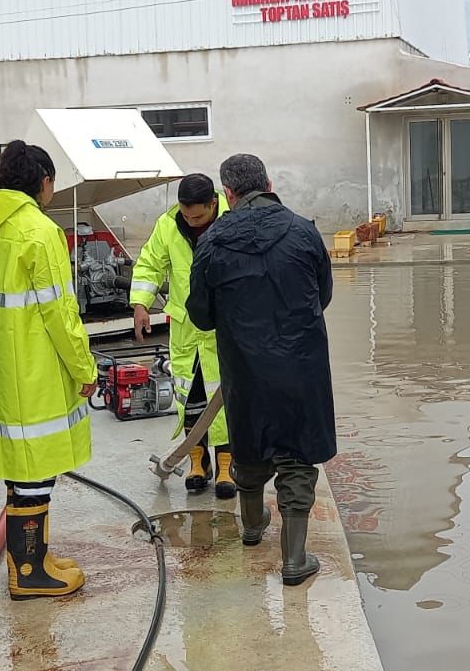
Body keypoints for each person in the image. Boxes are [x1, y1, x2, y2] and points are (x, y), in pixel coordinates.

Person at [186, 153, 336, 586]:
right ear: (269, 183)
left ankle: (252, 527)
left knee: (249, 445)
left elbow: (200, 315)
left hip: (245, 369)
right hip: (301, 366)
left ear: (227, 194)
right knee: (297, 457)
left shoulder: (210, 243)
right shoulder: (304, 232)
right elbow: (321, 295)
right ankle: (294, 559)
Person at [0, 140, 98, 600]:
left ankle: (33, 558)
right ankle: (28, 571)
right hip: (36, 370)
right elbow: (60, 312)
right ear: (42, 181)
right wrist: (85, 366)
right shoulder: (38, 232)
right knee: (36, 471)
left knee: (21, 472)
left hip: (1, 369)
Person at [129, 174, 236, 499]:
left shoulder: (234, 219)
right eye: (186, 215)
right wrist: (140, 304)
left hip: (223, 327)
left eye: (198, 217)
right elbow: (150, 264)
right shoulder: (168, 225)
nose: (191, 222)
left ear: (213, 204)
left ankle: (226, 465)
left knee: (226, 399)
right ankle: (196, 463)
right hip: (186, 329)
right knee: (190, 397)